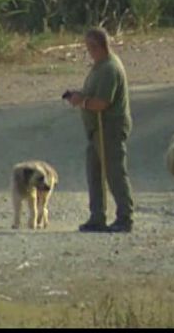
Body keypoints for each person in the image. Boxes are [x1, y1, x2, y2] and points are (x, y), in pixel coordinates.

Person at [65, 27, 134, 233]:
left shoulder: (109, 69)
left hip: (109, 128)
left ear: (98, 46)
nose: (88, 51)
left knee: (115, 173)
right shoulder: (98, 66)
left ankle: (125, 217)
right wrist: (78, 96)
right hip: (96, 130)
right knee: (94, 173)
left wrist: (82, 102)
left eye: (90, 47)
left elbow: (103, 102)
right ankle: (97, 216)